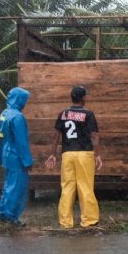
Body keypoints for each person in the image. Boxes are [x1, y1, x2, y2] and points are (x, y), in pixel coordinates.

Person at [45, 86, 102, 229]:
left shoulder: (63, 114)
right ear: (83, 98)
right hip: (84, 154)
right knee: (85, 186)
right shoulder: (88, 114)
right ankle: (89, 221)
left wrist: (53, 154)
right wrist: (98, 155)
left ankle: (65, 222)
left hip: (67, 154)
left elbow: (56, 135)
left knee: (67, 187)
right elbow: (94, 135)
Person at [0, 87, 34, 227]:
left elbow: (0, 136)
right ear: (19, 99)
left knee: (8, 185)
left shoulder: (5, 113)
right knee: (16, 187)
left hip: (7, 154)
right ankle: (11, 217)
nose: (25, 103)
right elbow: (21, 142)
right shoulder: (18, 117)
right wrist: (27, 161)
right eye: (24, 100)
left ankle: (2, 213)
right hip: (16, 156)